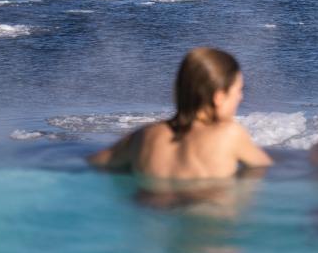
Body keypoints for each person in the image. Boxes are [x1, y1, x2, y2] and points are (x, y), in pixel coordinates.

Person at [88, 47, 272, 180]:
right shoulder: (229, 134)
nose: (240, 98)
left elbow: (95, 162)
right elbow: (267, 168)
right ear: (219, 97)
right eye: (239, 90)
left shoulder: (143, 136)